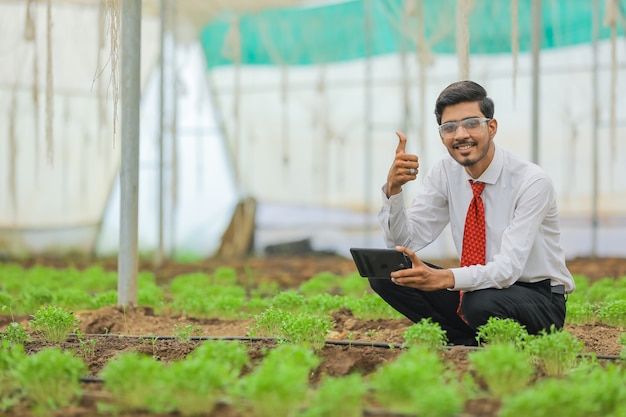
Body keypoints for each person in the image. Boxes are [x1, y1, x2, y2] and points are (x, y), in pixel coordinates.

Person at [370, 80, 575, 346]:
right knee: (388, 273)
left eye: (471, 123)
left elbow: (507, 270)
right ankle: (464, 343)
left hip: (538, 298)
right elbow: (406, 242)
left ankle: (506, 341)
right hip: (477, 290)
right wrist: (394, 191)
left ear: (492, 127)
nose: (460, 135)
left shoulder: (531, 182)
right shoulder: (445, 172)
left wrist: (443, 278)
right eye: (449, 128)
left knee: (479, 301)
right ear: (442, 136)